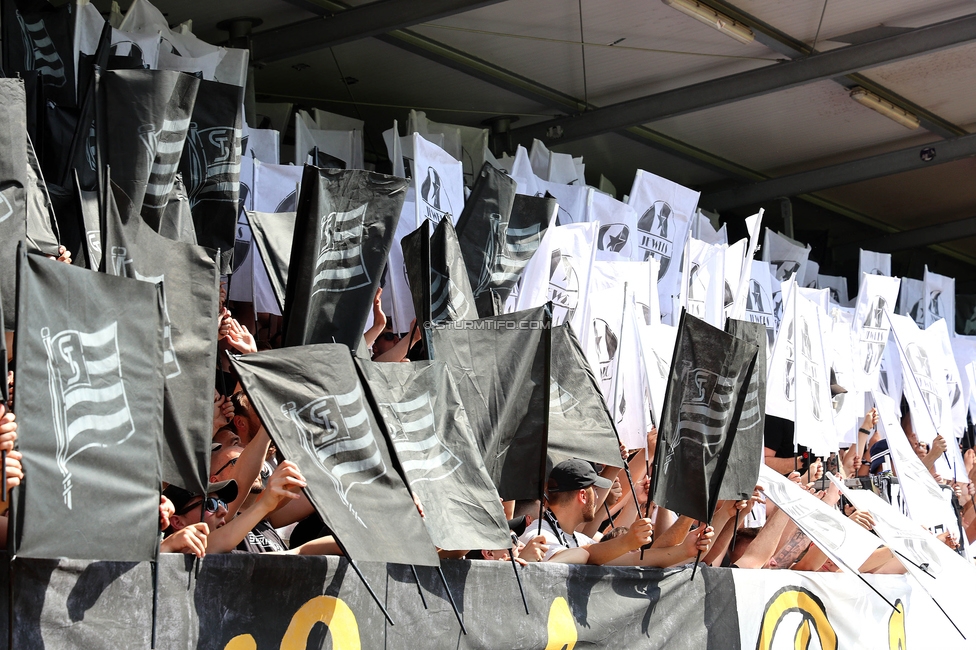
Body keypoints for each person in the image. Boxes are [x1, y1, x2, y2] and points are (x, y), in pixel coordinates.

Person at [519, 459, 713, 566]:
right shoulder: (539, 534)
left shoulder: (579, 538)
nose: (598, 496)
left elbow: (636, 560)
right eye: (595, 490)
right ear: (582, 496)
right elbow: (577, 558)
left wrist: (685, 549)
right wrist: (627, 541)